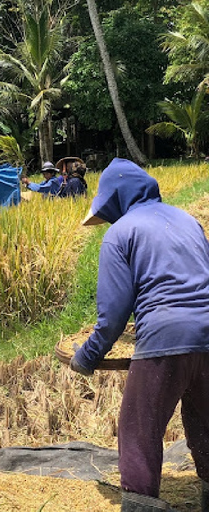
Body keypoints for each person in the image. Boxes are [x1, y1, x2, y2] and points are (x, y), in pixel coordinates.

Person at [69, 158, 209, 512]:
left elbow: (113, 315)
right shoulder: (188, 221)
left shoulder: (121, 233)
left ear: (115, 200)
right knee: (204, 420)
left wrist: (86, 356)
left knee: (138, 431)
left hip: (164, 336)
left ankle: (141, 504)